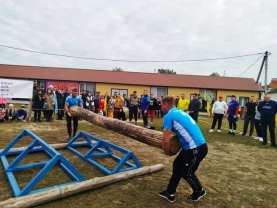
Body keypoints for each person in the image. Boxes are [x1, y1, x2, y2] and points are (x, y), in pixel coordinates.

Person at [159, 96, 208, 203]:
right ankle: (170, 192)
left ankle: (199, 190)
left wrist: (167, 152)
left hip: (196, 148)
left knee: (187, 173)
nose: (161, 107)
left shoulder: (169, 116)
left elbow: (165, 140)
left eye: (161, 105)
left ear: (166, 104)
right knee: (177, 165)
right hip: (191, 146)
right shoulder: (180, 112)